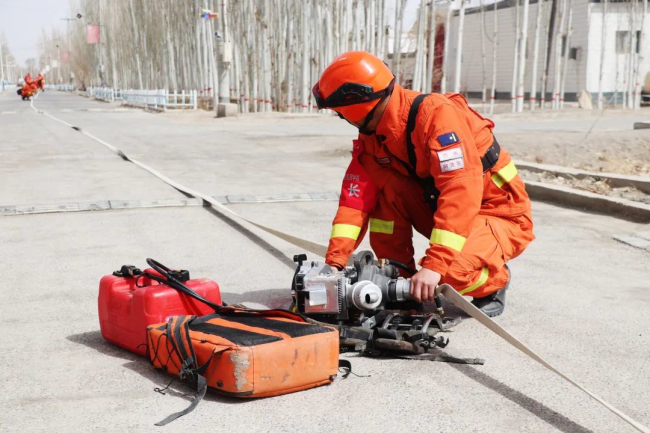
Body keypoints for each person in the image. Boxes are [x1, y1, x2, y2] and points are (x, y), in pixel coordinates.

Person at [312, 51, 535, 317]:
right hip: (448, 211)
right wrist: (335, 263)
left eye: (340, 113)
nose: (342, 118)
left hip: (497, 214)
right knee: (384, 189)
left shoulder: (436, 116)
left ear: (356, 105)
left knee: (449, 273)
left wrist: (435, 265)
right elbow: (355, 199)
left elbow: (460, 191)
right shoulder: (375, 134)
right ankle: (399, 280)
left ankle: (495, 282)